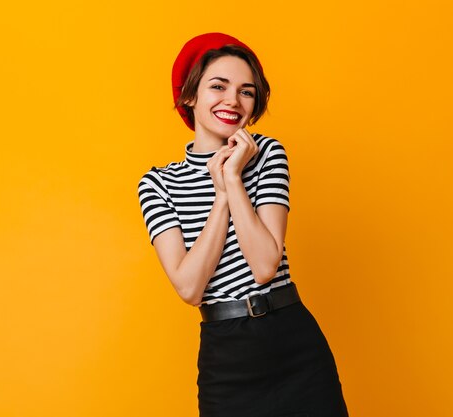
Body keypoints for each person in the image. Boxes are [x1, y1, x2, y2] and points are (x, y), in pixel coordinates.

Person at [138, 32, 349, 417]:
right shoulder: (158, 184)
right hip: (226, 357)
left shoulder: (268, 153)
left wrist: (233, 179)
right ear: (189, 96)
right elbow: (188, 286)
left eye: (246, 91)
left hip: (294, 344)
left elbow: (266, 265)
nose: (232, 100)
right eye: (218, 86)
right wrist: (221, 196)